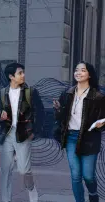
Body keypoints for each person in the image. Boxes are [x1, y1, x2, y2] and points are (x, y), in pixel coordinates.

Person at [53, 62, 105, 202]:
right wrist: (58, 110)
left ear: (89, 74)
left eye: (83, 70)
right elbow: (62, 118)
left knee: (88, 176)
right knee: (76, 176)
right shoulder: (67, 93)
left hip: (89, 138)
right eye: (76, 70)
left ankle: (93, 194)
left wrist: (102, 124)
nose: (78, 73)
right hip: (71, 137)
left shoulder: (98, 96)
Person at [0, 62, 45, 202]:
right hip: (7, 133)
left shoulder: (31, 92)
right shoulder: (2, 93)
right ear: (11, 76)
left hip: (24, 134)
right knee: (6, 171)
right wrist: (0, 116)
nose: (23, 75)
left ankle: (31, 189)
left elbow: (40, 113)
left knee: (24, 170)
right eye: (19, 73)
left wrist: (35, 132)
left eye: (23, 72)